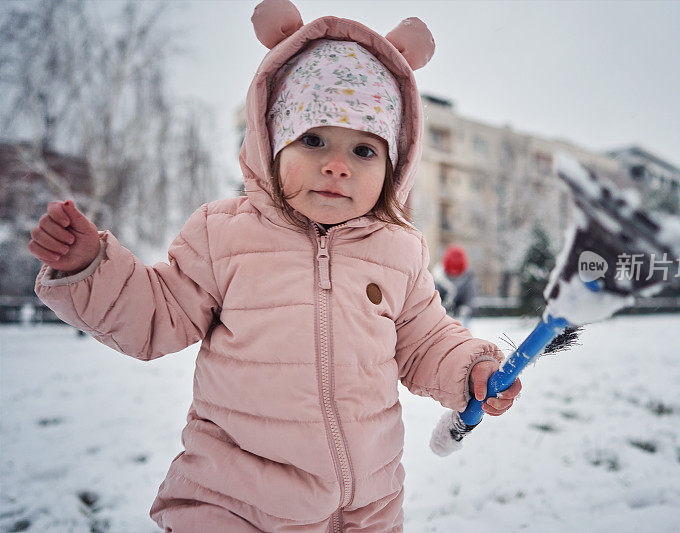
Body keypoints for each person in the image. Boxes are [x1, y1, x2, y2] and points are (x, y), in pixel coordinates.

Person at [29, 2, 521, 531]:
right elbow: (157, 315)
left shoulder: (398, 250)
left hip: (368, 509)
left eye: (363, 150)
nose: (337, 164)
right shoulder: (225, 235)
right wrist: (90, 267)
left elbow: (425, 339)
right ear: (270, 143)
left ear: (395, 167)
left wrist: (469, 367)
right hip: (234, 502)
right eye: (313, 139)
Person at [433, 244, 477, 328]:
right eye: (452, 270)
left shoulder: (469, 278)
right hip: (441, 317)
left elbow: (469, 298)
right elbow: (434, 299)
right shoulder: (438, 278)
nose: (454, 273)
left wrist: (466, 309)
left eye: (457, 270)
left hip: (462, 318)